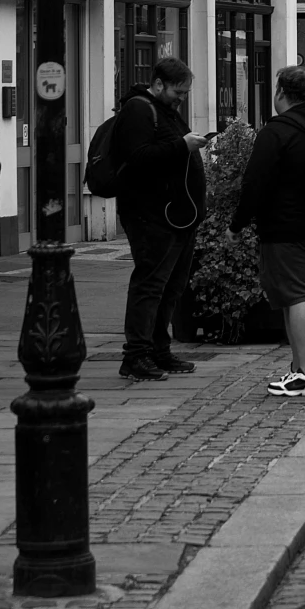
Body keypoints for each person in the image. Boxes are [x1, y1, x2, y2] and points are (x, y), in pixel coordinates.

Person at [232, 65, 305, 399]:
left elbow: (254, 183)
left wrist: (237, 225)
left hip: (287, 230)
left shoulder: (277, 132)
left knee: (296, 298)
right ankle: (298, 370)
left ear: (281, 92)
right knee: (296, 299)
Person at [109, 56, 208, 382]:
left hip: (177, 216)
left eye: (185, 92)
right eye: (178, 91)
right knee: (150, 285)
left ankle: (159, 350)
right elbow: (138, 158)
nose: (181, 97)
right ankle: (136, 356)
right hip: (151, 216)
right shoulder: (139, 110)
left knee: (171, 287)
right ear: (159, 84)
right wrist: (183, 146)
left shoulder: (165, 111)